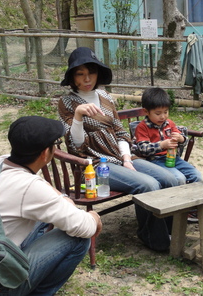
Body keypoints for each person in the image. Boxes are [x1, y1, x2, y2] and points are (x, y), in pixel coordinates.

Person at [0, 116, 102, 295]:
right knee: (79, 239)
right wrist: (94, 218)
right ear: (45, 153)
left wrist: (62, 199)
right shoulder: (28, 187)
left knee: (44, 219)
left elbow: (43, 189)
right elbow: (85, 227)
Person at [58, 47, 179, 251]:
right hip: (94, 165)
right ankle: (154, 238)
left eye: (92, 72)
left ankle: (170, 230)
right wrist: (78, 116)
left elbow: (120, 132)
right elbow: (75, 144)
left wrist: (127, 159)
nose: (87, 78)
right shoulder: (67, 102)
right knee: (148, 185)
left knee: (171, 179)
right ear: (72, 77)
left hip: (121, 157)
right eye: (80, 74)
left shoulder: (105, 97)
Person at [134, 87, 203, 185]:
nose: (163, 116)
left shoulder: (169, 124)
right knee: (179, 178)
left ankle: (190, 197)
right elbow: (142, 149)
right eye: (158, 113)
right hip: (154, 161)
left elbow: (183, 139)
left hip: (173, 158)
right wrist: (162, 145)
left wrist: (181, 138)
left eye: (165, 112)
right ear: (146, 111)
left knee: (196, 175)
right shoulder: (142, 127)